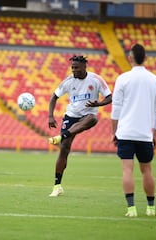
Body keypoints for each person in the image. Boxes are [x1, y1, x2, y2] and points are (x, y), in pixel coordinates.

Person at [111, 43, 156, 217]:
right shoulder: (155, 80)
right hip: (144, 134)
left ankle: (131, 209)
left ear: (130, 58)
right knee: (147, 170)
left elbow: (116, 109)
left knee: (127, 169)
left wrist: (114, 132)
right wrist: (154, 134)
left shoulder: (123, 78)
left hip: (125, 133)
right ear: (146, 58)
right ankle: (151, 208)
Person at [47, 55, 112, 197]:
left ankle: (62, 136)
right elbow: (54, 97)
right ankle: (57, 186)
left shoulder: (96, 80)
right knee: (64, 148)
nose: (74, 70)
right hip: (71, 116)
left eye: (76, 67)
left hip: (87, 115)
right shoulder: (69, 81)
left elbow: (110, 96)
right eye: (72, 68)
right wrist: (50, 116)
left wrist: (99, 104)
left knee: (93, 118)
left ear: (84, 67)